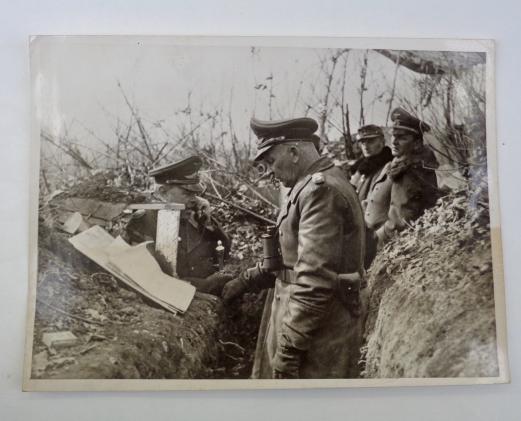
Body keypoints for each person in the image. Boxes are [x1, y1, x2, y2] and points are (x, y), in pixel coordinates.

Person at [222, 117, 366, 379]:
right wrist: (246, 280)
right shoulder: (305, 187)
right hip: (302, 320)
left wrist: (289, 348)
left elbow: (315, 279)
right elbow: (289, 256)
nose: (271, 172)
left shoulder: (320, 191)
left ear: (294, 152)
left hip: (318, 331)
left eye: (272, 162)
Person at [125, 156, 232, 294]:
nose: (195, 200)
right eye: (187, 193)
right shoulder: (144, 220)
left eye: (196, 194)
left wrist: (209, 222)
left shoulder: (193, 215)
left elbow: (223, 252)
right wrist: (204, 285)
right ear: (162, 192)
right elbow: (150, 277)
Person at [365, 108, 439, 248]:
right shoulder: (396, 165)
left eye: (402, 137)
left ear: (416, 143)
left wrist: (368, 246)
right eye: (393, 136)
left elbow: (398, 223)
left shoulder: (409, 171)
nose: (394, 142)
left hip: (380, 246)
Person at [350, 124, 393, 267]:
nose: (366, 146)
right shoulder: (361, 169)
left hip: (378, 238)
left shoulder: (389, 166)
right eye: (362, 142)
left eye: (371, 141)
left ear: (382, 141)